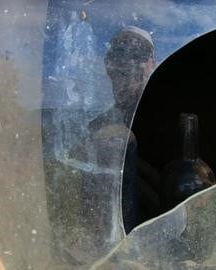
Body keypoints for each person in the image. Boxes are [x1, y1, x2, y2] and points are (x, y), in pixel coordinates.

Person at [89, 26, 160, 234]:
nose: (128, 62)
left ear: (151, 65)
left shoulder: (169, 121)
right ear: (108, 66)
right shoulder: (95, 127)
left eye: (138, 53)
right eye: (118, 52)